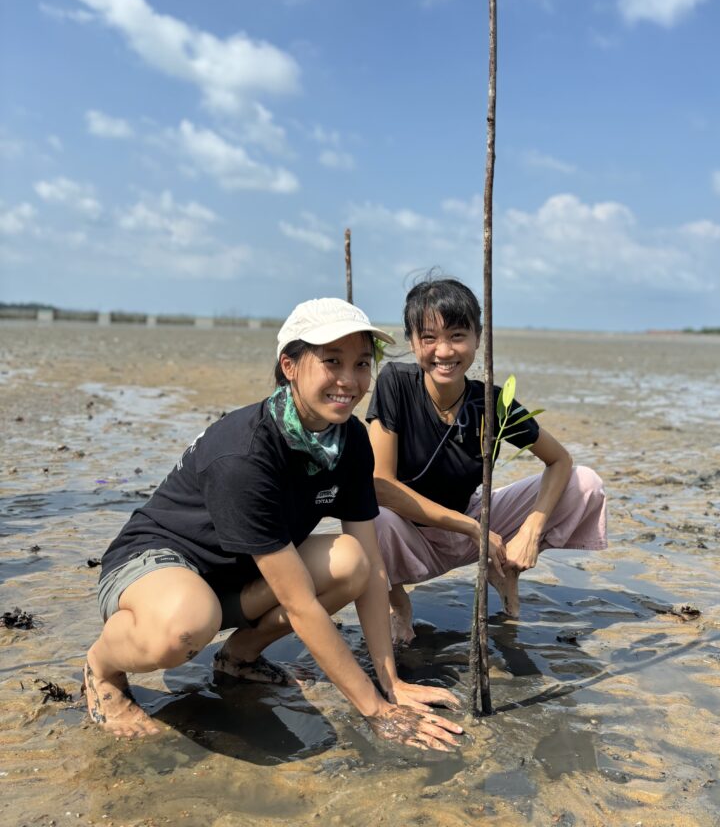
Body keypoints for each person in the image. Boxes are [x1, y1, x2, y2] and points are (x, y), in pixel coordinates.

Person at [84, 298, 462, 750]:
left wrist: (391, 682)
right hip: (156, 566)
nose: (349, 380)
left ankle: (239, 658)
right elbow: (299, 604)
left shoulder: (350, 440)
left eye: (362, 364)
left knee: (354, 562)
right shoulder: (245, 454)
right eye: (331, 362)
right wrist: (376, 710)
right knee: (184, 625)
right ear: (290, 366)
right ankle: (102, 666)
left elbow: (374, 569)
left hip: (243, 575)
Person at [366, 278, 607, 645]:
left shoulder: (491, 402)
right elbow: (381, 486)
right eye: (429, 338)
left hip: (474, 523)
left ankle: (505, 568)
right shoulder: (395, 384)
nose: (444, 351)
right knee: (370, 515)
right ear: (413, 341)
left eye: (457, 335)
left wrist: (529, 531)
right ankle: (397, 603)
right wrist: (471, 529)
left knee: (584, 481)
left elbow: (559, 460)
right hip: (411, 534)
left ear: (478, 337)